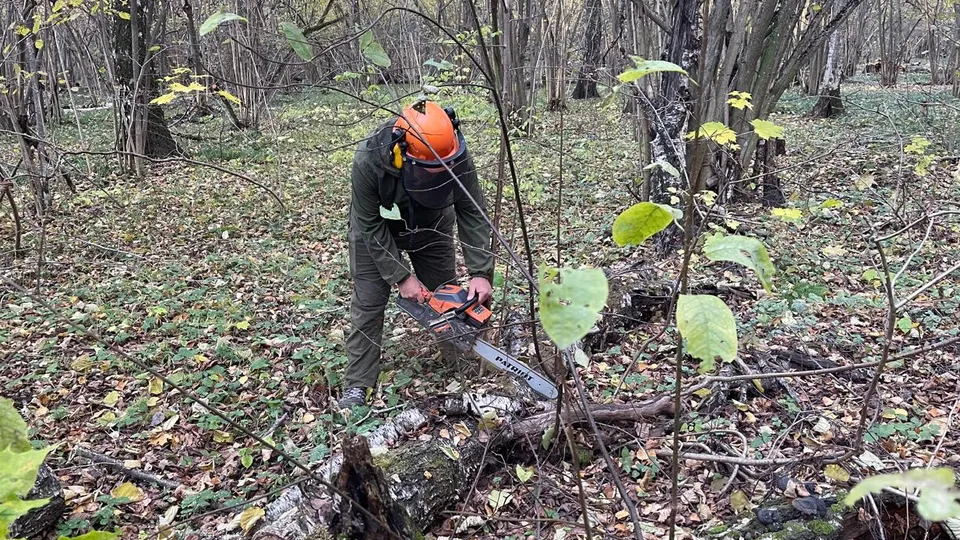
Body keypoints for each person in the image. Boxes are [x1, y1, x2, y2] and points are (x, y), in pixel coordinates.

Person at [339, 99, 494, 409]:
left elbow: (472, 211)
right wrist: (401, 276)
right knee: (369, 303)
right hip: (376, 229)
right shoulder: (369, 159)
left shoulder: (455, 154)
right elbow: (368, 224)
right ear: (404, 152)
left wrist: (480, 271)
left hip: (430, 221)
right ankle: (358, 383)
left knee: (445, 293)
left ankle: (461, 360)